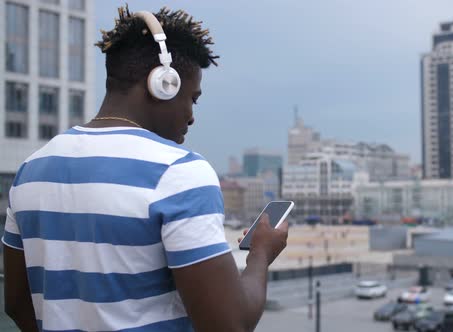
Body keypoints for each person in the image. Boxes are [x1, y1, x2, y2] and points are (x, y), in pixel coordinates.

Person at [2, 5, 288, 332]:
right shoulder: (179, 172)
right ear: (162, 84)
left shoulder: (30, 170)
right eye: (192, 98)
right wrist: (261, 254)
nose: (192, 116)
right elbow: (230, 324)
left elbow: (16, 303)